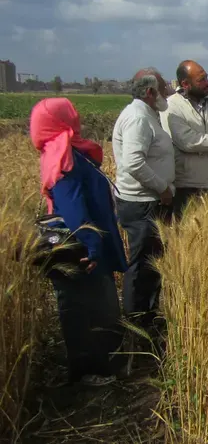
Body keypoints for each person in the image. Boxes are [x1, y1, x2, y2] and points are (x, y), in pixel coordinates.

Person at [31, 98, 128, 386]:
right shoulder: (63, 158)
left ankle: (101, 363)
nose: (79, 118)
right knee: (89, 309)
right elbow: (75, 210)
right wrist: (93, 247)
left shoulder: (69, 152)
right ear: (61, 121)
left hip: (89, 244)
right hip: (82, 252)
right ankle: (90, 371)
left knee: (95, 305)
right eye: (72, 115)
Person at [112, 67, 175, 324]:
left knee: (151, 264)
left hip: (148, 201)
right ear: (150, 92)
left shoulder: (148, 114)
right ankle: (137, 320)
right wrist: (162, 188)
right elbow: (134, 163)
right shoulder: (138, 118)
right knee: (141, 264)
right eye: (163, 87)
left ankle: (147, 315)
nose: (168, 92)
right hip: (142, 203)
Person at [160, 60, 208, 219]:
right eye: (201, 80)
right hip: (188, 185)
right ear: (185, 83)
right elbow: (189, 142)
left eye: (206, 78)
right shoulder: (171, 107)